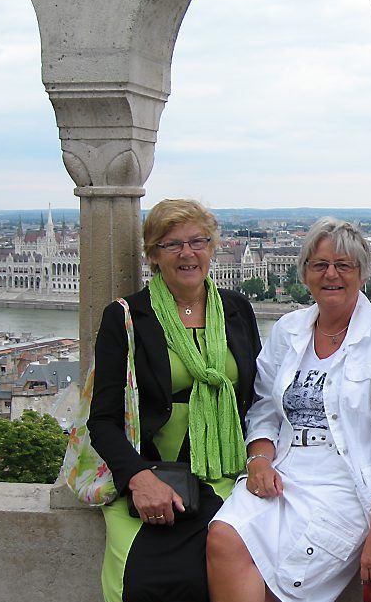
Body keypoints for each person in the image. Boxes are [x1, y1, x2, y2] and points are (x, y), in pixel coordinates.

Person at [206, 217, 371, 602]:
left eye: (344, 265)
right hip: (282, 476)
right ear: (305, 273)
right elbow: (264, 409)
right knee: (223, 537)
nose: (331, 274)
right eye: (320, 265)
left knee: (281, 587)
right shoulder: (288, 330)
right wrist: (258, 460)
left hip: (344, 488)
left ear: (362, 274)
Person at [88, 199, 261, 602]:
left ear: (213, 248)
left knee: (220, 572)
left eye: (198, 241)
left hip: (224, 473)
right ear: (152, 255)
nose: (187, 253)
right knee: (146, 580)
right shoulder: (127, 317)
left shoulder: (237, 309)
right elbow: (102, 420)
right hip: (152, 476)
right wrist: (138, 477)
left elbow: (256, 399)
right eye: (172, 244)